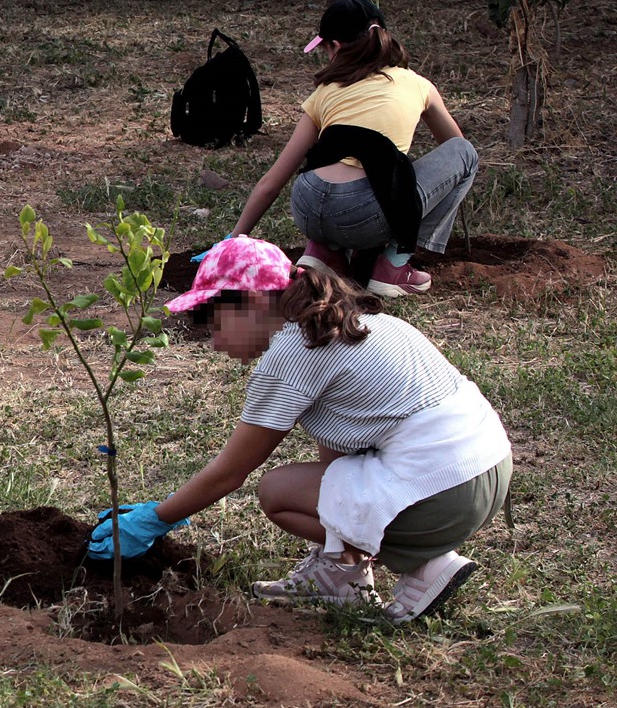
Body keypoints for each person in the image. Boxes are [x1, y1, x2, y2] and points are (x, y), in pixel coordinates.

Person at [90, 237, 513, 625]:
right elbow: (339, 451)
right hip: (487, 469)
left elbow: (230, 472)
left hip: (447, 493)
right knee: (325, 477)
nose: (213, 340)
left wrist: (155, 519)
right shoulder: (342, 321)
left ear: (253, 302)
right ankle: (341, 573)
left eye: (213, 319)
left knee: (278, 492)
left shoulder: (292, 355)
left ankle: (425, 564)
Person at [210, 0, 478, 298]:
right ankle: (394, 264)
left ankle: (324, 252)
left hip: (308, 208)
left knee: (347, 163)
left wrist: (232, 240)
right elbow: (455, 146)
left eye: (323, 49)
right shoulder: (417, 84)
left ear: (335, 46)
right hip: (363, 217)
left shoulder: (324, 93)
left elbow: (272, 182)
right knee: (452, 156)